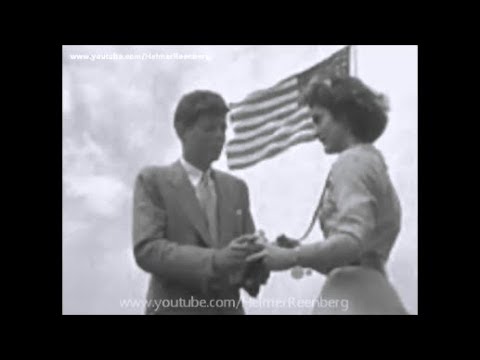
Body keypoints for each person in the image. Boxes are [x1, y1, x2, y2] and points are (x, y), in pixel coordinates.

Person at [247, 76, 408, 315]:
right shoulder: (373, 162)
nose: (315, 131)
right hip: (375, 291)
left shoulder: (351, 161)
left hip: (352, 295)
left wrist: (291, 256)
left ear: (343, 117)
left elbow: (351, 242)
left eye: (318, 119)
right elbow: (356, 252)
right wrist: (306, 250)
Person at [133, 90, 268, 315]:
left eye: (223, 128)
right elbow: (147, 249)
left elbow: (247, 270)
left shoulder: (237, 189)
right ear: (182, 131)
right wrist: (215, 260)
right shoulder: (152, 180)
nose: (220, 136)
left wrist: (265, 256)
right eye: (209, 128)